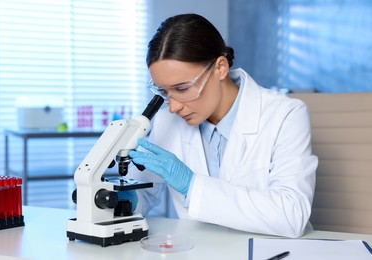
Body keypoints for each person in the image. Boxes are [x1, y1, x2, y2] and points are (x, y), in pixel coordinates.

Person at [125, 13, 318, 238]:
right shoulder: (166, 120)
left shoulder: (285, 115)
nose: (173, 107)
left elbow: (291, 215)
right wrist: (124, 201)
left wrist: (192, 185)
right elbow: (147, 191)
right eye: (164, 92)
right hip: (197, 249)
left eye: (183, 88)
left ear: (220, 68)